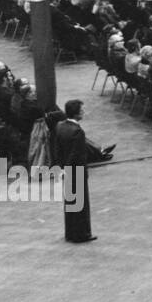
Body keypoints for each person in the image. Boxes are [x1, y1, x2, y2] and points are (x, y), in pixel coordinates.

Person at [54, 100, 95, 243]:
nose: (83, 112)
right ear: (76, 113)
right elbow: (76, 153)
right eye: (81, 110)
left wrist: (62, 167)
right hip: (77, 170)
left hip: (66, 169)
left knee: (70, 203)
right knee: (81, 204)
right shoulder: (78, 132)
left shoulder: (60, 126)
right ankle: (82, 233)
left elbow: (58, 149)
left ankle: (70, 232)